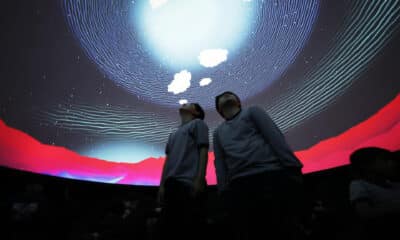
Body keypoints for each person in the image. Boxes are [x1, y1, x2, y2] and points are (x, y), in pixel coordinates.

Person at [213, 91, 304, 240]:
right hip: (239, 184)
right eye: (221, 97)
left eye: (230, 94)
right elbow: (220, 162)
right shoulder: (218, 133)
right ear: (219, 110)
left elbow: (273, 136)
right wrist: (223, 189)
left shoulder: (252, 111)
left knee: (283, 227)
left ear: (238, 101)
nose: (225, 95)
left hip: (270, 176)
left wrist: (292, 166)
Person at [157, 103, 209, 240]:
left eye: (189, 104)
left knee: (187, 227)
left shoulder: (198, 124)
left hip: (188, 183)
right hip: (171, 185)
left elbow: (203, 150)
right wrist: (161, 186)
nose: (184, 104)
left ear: (197, 112)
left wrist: (200, 179)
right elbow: (167, 161)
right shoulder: (173, 133)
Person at [349, 147, 400, 239]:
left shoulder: (395, 185)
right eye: (385, 160)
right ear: (367, 166)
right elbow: (365, 213)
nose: (392, 163)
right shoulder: (358, 185)